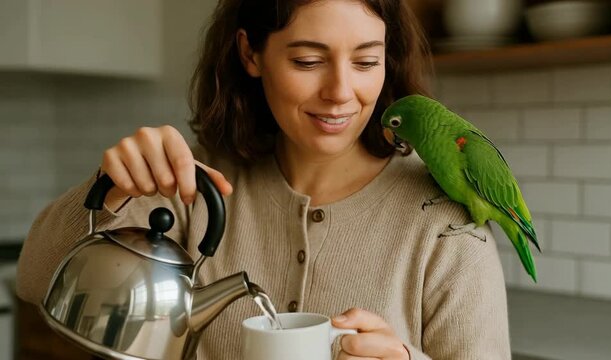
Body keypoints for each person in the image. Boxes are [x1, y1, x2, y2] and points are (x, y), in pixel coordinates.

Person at [16, 0, 510, 359]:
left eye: (366, 61)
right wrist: (108, 191)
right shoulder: (193, 187)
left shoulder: (444, 223)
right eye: (308, 61)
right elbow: (35, 278)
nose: (341, 92)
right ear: (251, 54)